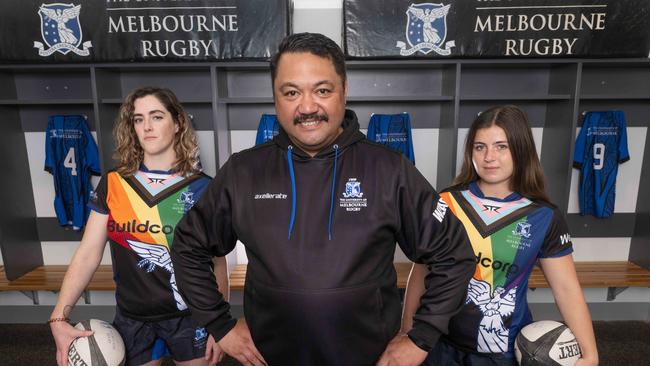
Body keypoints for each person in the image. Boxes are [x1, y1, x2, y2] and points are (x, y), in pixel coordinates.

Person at [170, 32, 475, 366]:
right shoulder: (244, 171)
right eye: (291, 92)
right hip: (268, 357)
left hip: (368, 358)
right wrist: (220, 325)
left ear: (343, 92)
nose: (307, 107)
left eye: (322, 90)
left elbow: (453, 255)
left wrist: (421, 337)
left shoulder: (390, 170)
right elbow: (188, 246)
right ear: (275, 99)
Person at [402, 105, 598, 365]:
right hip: (441, 344)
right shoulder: (446, 202)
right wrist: (407, 333)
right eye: (480, 146)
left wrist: (591, 354)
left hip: (502, 352)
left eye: (501, 146)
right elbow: (422, 272)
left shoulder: (543, 216)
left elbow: (566, 289)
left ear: (521, 149)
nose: (489, 157)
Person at [49, 86, 230, 366]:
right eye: (138, 119)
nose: (146, 127)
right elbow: (88, 252)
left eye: (157, 117)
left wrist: (220, 326)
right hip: (133, 317)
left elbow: (218, 263)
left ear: (178, 123)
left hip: (191, 315)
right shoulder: (114, 183)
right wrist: (59, 316)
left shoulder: (204, 188)